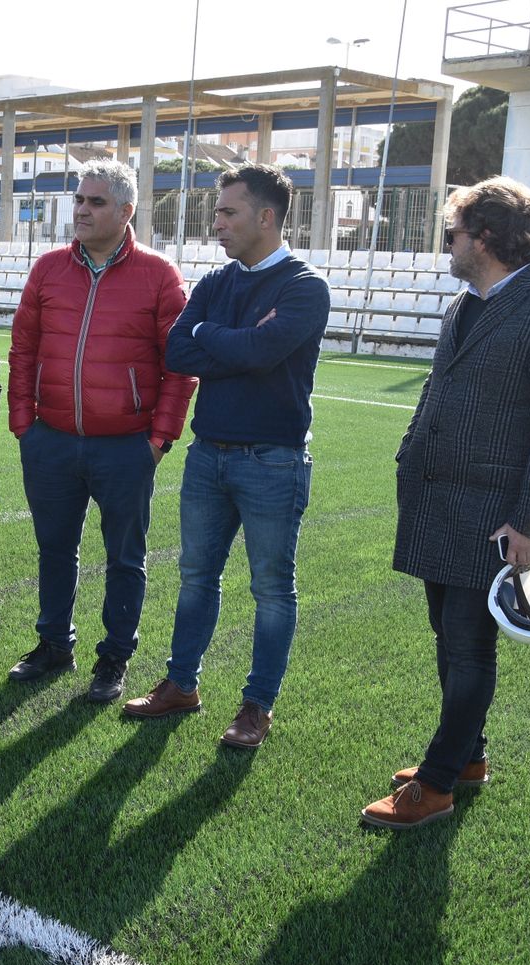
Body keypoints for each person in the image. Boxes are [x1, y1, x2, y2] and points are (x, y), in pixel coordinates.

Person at [362, 177, 530, 829]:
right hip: (437, 503)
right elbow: (437, 393)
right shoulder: (465, 304)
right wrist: (410, 452)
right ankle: (469, 757)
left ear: (485, 236)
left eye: (453, 234)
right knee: (449, 638)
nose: (448, 245)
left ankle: (436, 784)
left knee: (468, 647)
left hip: (494, 518)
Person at [123, 164, 330, 751]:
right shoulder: (217, 282)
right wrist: (228, 339)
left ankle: (256, 707)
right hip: (207, 453)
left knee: (271, 589)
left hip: (273, 460)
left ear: (266, 217)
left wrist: (216, 336)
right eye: (217, 212)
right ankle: (181, 684)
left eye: (228, 212)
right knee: (195, 578)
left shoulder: (303, 287)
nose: (217, 223)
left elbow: (262, 352)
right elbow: (177, 349)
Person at [6, 160, 194, 702]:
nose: (82, 210)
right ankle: (52, 644)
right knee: (54, 548)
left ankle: (113, 657)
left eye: (96, 202)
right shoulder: (47, 269)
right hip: (51, 440)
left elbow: (179, 366)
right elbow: (23, 351)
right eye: (79, 200)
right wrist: (25, 423)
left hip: (126, 448)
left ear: (126, 211)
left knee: (125, 557)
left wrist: (159, 440)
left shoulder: (159, 274)